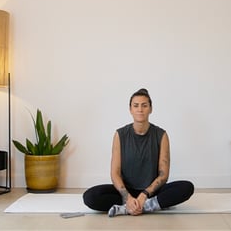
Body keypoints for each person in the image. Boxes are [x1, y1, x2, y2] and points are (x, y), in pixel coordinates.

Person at [83, 88, 194, 217]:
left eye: (144, 105)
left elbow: (163, 175)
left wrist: (144, 195)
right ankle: (134, 205)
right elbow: (115, 172)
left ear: (150, 109)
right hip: (126, 191)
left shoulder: (161, 135)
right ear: (130, 109)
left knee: (187, 187)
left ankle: (137, 207)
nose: (140, 109)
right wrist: (128, 197)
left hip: (151, 192)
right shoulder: (120, 134)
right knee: (90, 197)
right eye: (136, 106)